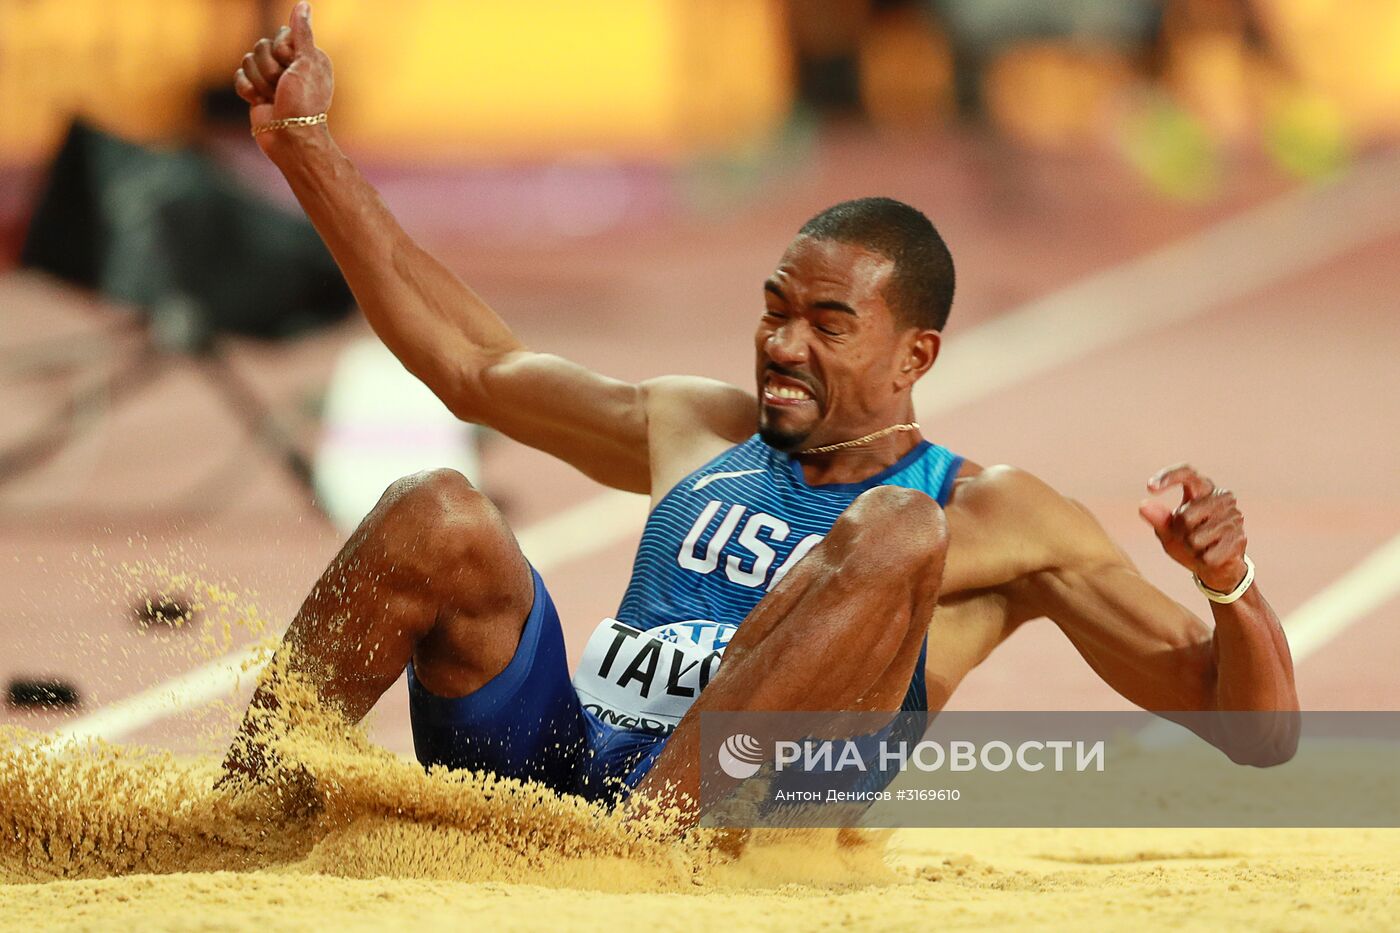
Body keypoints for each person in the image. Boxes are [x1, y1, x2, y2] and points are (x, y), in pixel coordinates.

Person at [226, 4, 1298, 816]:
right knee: (439, 509)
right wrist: (308, 147)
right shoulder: (705, 428)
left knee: (891, 531)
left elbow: (1254, 736)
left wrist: (1229, 587)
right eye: (773, 310)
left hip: (733, 821)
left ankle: (652, 867)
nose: (781, 345)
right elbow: (470, 363)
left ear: (912, 355)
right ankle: (235, 816)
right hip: (557, 778)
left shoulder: (991, 515)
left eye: (826, 324)